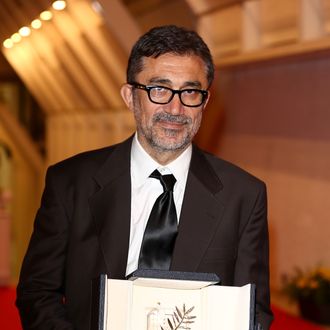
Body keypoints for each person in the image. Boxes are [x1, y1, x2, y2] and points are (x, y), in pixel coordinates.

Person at [16, 25, 273, 329]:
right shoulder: (70, 182)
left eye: (190, 92)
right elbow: (38, 292)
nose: (175, 108)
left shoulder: (242, 195)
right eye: (159, 89)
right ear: (129, 96)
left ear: (204, 102)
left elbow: (251, 313)